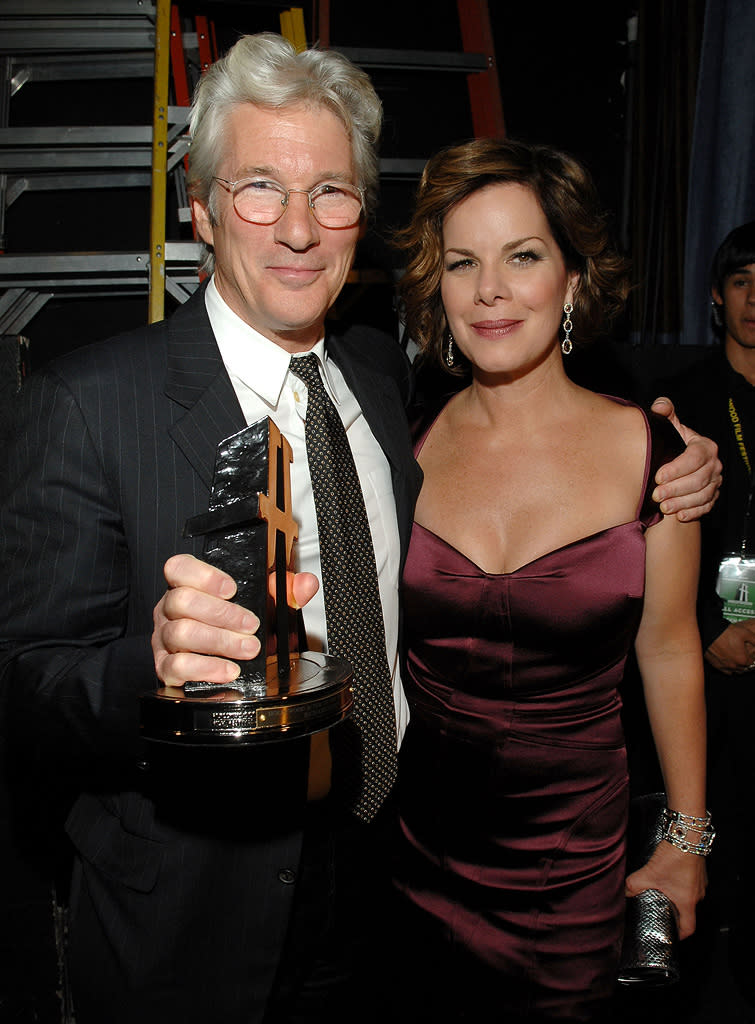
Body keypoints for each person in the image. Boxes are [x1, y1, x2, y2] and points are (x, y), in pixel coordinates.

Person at [0, 33, 720, 1024]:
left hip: (391, 875)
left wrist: (669, 448)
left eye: (330, 192)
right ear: (201, 210)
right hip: (196, 917)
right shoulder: (87, 404)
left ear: (359, 220)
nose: (298, 228)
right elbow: (26, 677)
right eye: (259, 188)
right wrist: (148, 667)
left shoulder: (382, 384)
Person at [387, 138, 712, 1023]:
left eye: (521, 256)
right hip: (414, 857)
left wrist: (685, 839)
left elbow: (673, 649)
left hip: (572, 868)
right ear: (437, 287)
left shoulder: (656, 455)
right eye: (462, 263)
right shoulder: (395, 444)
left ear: (570, 280)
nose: (490, 290)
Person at [662, 220, 755, 1004]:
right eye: (740, 280)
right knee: (701, 833)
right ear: (717, 298)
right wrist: (706, 631)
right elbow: (645, 535)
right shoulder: (679, 399)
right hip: (707, 658)